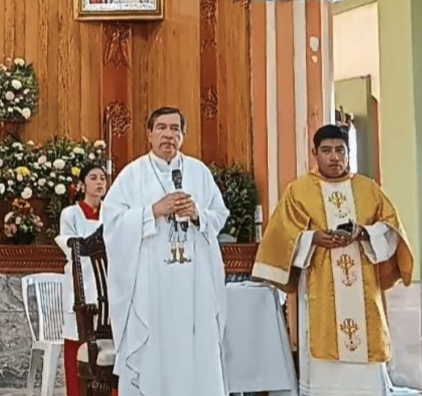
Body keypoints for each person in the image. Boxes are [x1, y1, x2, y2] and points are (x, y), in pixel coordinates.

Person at [253, 124, 414, 395]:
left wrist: (363, 232)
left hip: (364, 289)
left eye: (340, 150)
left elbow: (391, 230)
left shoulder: (368, 189)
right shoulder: (299, 191)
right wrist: (312, 239)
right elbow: (280, 235)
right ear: (314, 153)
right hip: (320, 289)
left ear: (348, 153)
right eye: (326, 151)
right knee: (322, 362)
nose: (334, 157)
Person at [101, 106, 230, 396]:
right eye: (161, 128)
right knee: (155, 349)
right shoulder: (133, 175)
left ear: (183, 136)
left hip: (193, 284)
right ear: (149, 134)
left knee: (196, 348)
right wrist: (152, 212)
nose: (168, 135)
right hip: (151, 284)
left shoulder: (198, 172)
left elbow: (219, 215)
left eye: (175, 129)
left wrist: (198, 215)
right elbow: (111, 222)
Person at [55, 164, 107, 396]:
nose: (99, 182)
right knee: (77, 341)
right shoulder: (71, 213)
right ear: (83, 184)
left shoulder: (112, 211)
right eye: (93, 178)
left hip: (108, 285)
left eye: (103, 178)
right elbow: (71, 246)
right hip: (82, 284)